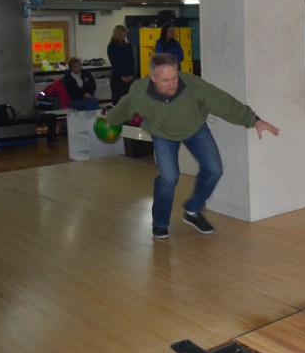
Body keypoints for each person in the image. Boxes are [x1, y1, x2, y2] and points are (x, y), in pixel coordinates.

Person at [105, 53, 279, 239]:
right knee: (169, 177)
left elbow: (223, 102)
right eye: (165, 80)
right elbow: (121, 111)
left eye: (174, 77)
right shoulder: (140, 93)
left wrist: (253, 120)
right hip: (163, 133)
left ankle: (192, 210)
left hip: (195, 128)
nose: (172, 84)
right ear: (152, 77)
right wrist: (108, 119)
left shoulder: (193, 86)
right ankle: (160, 223)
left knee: (214, 169)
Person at [106, 25, 136, 105]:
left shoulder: (128, 46)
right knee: (118, 101)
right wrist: (122, 77)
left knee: (128, 102)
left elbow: (132, 61)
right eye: (124, 33)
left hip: (129, 77)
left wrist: (131, 75)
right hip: (117, 79)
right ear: (119, 33)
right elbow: (114, 63)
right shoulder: (111, 47)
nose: (126, 35)